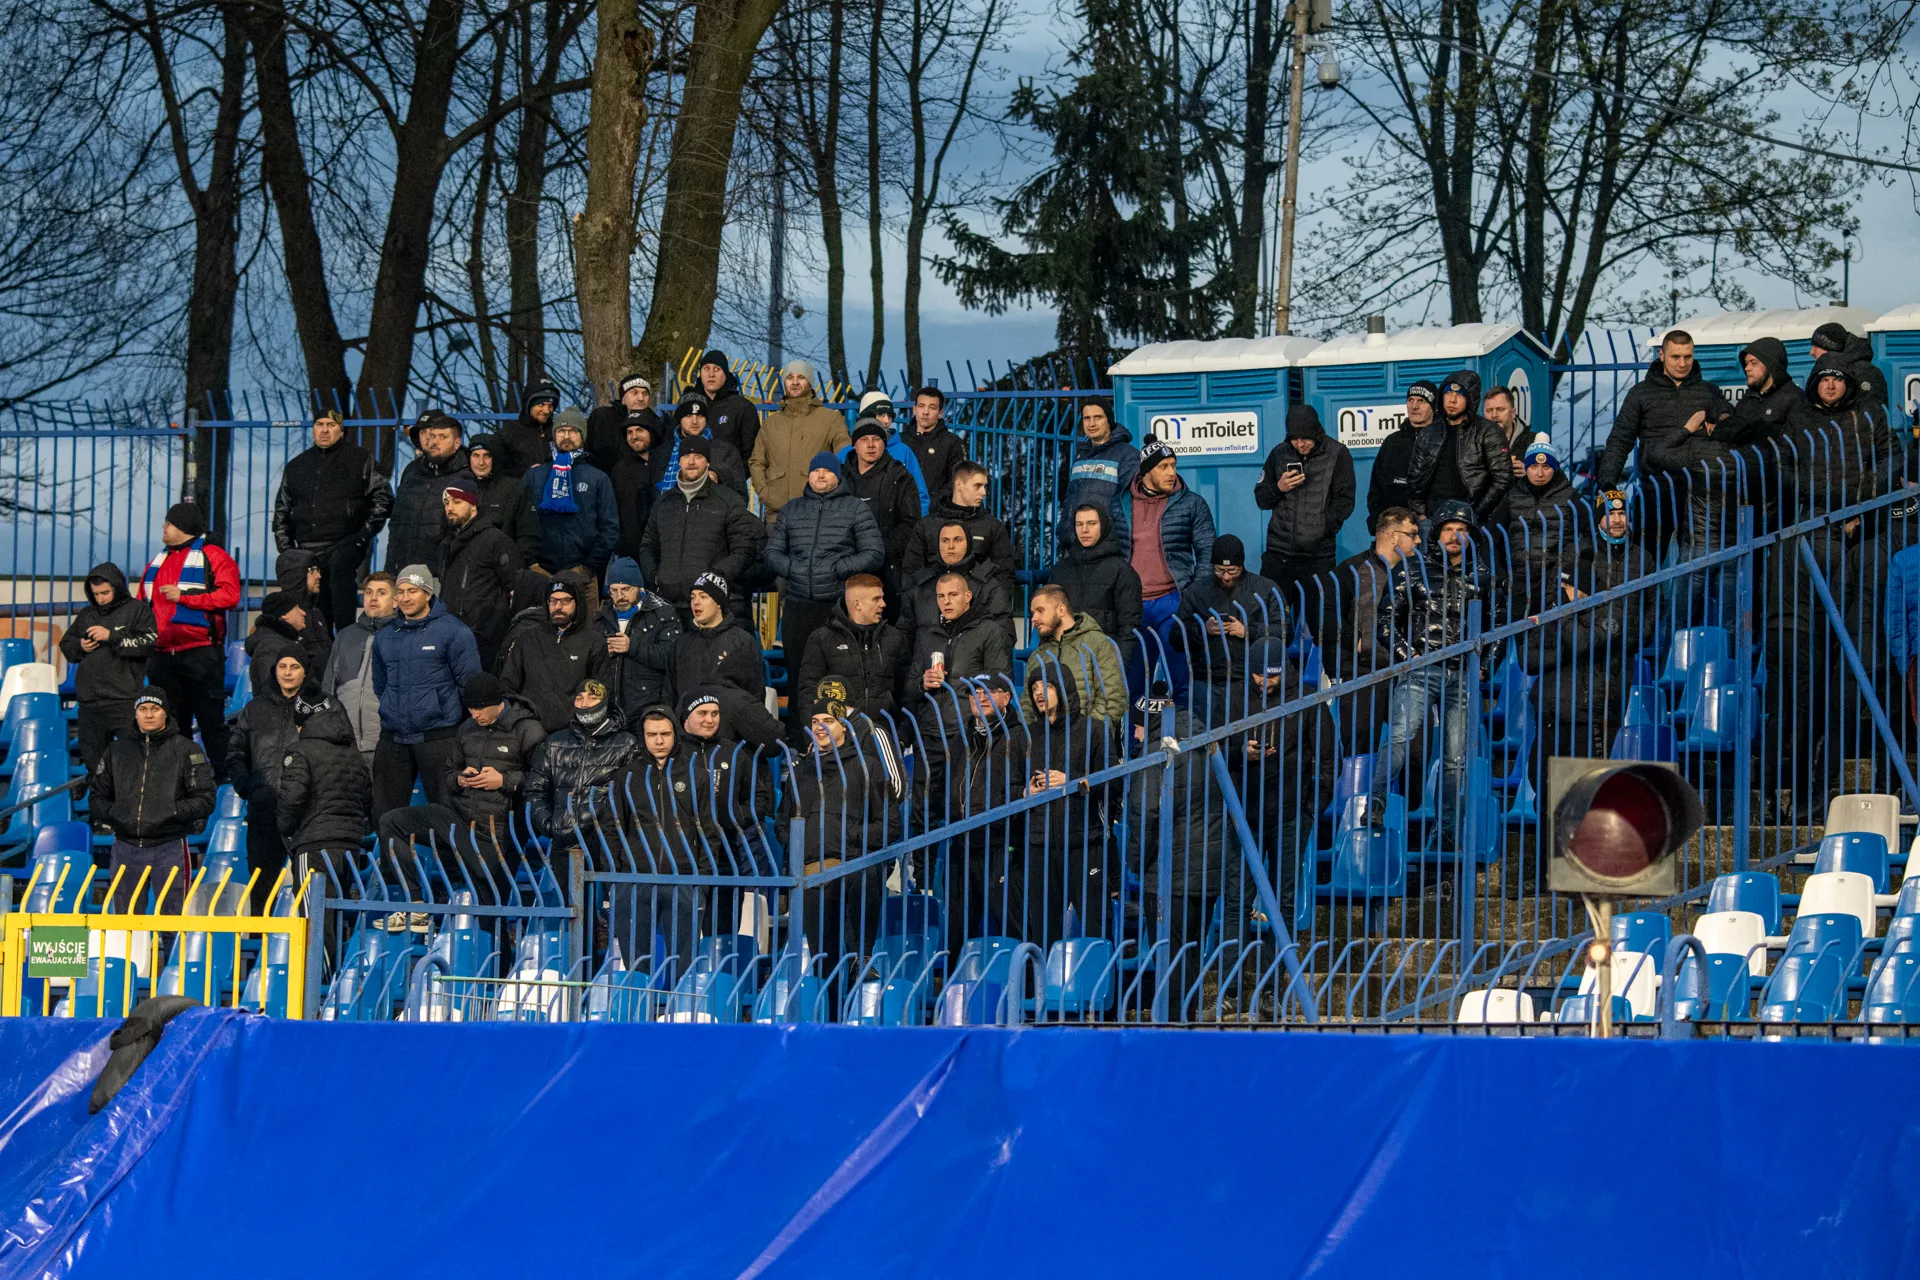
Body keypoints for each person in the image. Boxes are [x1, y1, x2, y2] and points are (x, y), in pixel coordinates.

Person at [1367, 499, 1491, 844]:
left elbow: (1497, 625)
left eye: (1461, 529)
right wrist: (1408, 655)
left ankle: (1447, 831)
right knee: (1399, 738)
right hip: (1422, 669)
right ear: (1436, 534)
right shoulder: (1411, 568)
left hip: (1462, 672)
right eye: (1448, 529)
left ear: (1471, 535)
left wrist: (1485, 666)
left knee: (1455, 758)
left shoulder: (1483, 576)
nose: (1454, 535)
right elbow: (1385, 619)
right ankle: (1376, 802)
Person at [375, 673, 548, 904]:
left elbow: (544, 779)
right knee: (391, 822)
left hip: (499, 830)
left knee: (490, 903)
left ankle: (493, 926)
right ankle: (415, 904)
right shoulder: (467, 728)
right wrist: (460, 779)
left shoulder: (528, 729)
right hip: (459, 818)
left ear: (496, 702)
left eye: (479, 708)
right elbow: (448, 773)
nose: (474, 714)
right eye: (470, 708)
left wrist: (504, 781)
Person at [782, 685, 905, 966]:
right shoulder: (799, 773)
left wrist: (847, 836)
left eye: (828, 720)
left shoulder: (869, 768)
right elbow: (783, 824)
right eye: (815, 721)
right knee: (822, 963)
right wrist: (804, 844)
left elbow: (890, 825)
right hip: (812, 875)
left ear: (844, 726)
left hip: (855, 869)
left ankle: (861, 962)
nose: (820, 727)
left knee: (854, 959)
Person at [765, 450, 886, 717]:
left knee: (836, 678)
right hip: (798, 605)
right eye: (816, 470)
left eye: (828, 470)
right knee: (798, 676)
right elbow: (772, 553)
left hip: (836, 607)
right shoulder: (792, 508)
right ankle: (798, 736)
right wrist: (794, 569)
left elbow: (874, 552)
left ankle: (840, 732)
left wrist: (838, 569)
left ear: (838, 476)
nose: (821, 475)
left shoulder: (855, 508)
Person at [1593, 330, 1733, 547]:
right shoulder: (1640, 394)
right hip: (1654, 489)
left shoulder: (1709, 392)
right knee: (1645, 558)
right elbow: (1620, 440)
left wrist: (1721, 416)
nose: (1682, 363)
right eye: (1675, 357)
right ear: (1661, 355)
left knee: (1698, 560)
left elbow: (1728, 424)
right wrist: (1607, 483)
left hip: (1698, 490)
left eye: (1688, 356)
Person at [136, 502, 242, 779]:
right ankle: (178, 784)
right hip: (161, 654)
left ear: (183, 526)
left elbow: (230, 596)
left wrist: (184, 597)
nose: (164, 527)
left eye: (169, 522)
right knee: (170, 727)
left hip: (201, 653)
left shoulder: (214, 556)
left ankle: (227, 781)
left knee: (211, 724)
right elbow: (140, 603)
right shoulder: (158, 560)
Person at [1017, 662, 1119, 947]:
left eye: (1047, 686)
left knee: (1097, 928)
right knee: (1043, 933)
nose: (1039, 693)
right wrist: (1025, 791)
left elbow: (1114, 783)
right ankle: (1043, 977)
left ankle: (1102, 977)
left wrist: (1072, 781)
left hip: (1085, 844)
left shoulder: (1094, 730)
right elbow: (1006, 788)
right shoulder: (1026, 736)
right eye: (1034, 688)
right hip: (1040, 846)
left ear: (1064, 689)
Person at [370, 564, 482, 817]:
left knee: (448, 815)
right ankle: (391, 847)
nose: (405, 598)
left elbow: (469, 684)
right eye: (401, 592)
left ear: (428, 593)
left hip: (438, 737)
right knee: (385, 816)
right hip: (393, 738)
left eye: (413, 591)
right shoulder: (385, 636)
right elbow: (380, 684)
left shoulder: (455, 631)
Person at [271, 409, 393, 634]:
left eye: (331, 425)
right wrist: (287, 550)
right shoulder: (297, 466)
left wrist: (363, 535)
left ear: (341, 430)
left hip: (346, 542)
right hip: (306, 547)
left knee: (339, 575)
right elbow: (282, 510)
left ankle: (347, 636)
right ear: (313, 429)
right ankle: (318, 644)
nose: (325, 430)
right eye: (320, 424)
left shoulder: (360, 459)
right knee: (314, 610)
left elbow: (383, 498)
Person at [94, 690, 215, 913]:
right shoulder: (116, 750)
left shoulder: (187, 749)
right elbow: (96, 797)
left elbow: (205, 800)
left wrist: (169, 812)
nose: (149, 715)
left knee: (172, 922)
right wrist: (117, 813)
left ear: (165, 712)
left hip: (170, 846)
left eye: (155, 709)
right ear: (135, 713)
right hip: (125, 846)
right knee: (126, 924)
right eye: (143, 709)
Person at [1110, 439, 1215, 694]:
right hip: (1133, 604)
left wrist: (1192, 595)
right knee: (1133, 682)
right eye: (1163, 467)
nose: (1171, 473)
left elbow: (1207, 551)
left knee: (1183, 677)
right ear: (1146, 471)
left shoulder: (1192, 503)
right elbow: (1110, 552)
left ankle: (1185, 721)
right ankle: (1135, 723)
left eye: (1173, 465)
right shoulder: (1119, 503)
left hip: (1173, 601)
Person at [639, 437, 766, 622]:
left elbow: (744, 549)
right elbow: (647, 546)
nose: (691, 462)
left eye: (698, 456)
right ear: (679, 461)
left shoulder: (728, 501)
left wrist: (715, 578)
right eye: (686, 456)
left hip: (710, 607)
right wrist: (656, 577)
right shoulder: (663, 503)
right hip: (668, 606)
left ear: (707, 462)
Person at [1366, 378, 1510, 529]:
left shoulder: (1482, 432)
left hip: (1468, 520)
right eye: (1410, 400)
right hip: (1417, 522)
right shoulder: (1398, 440)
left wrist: (1475, 513)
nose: (1414, 406)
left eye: (1421, 401)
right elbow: (1390, 485)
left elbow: (1501, 479)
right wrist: (1422, 512)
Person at [525, 679, 636, 869]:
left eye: (592, 698)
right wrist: (550, 826)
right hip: (563, 845)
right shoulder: (554, 743)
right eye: (579, 698)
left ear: (605, 702)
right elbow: (535, 789)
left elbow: (631, 796)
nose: (584, 704)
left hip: (606, 845)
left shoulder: (627, 744)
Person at [227, 652, 308, 911]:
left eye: (294, 666)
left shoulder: (319, 708)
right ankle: (260, 936)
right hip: (263, 811)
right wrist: (247, 787)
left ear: (305, 671)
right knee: (261, 892)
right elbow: (236, 754)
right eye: (282, 666)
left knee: (307, 890)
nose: (287, 672)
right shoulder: (255, 708)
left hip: (304, 813)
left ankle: (311, 939)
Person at [276, 687, 373, 900]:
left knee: (312, 915)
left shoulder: (301, 751)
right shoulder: (354, 755)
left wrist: (287, 830)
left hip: (314, 844)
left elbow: (291, 798)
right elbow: (367, 799)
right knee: (337, 911)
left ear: (300, 725)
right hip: (350, 845)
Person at [1253, 405, 1355, 605]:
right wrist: (1279, 488)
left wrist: (1323, 528)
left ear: (1316, 432)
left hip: (1318, 557)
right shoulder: (1278, 453)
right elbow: (1261, 499)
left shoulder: (1338, 454)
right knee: (1273, 617)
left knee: (1320, 619)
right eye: (1294, 438)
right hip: (1279, 555)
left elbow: (1345, 500)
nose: (1300, 444)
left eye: (1305, 438)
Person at [61, 562, 157, 771]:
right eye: (96, 594)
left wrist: (112, 636)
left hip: (123, 700)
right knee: (95, 768)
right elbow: (66, 645)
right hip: (90, 703)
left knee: (133, 765)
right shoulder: (87, 614)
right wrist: (80, 646)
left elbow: (149, 643)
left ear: (118, 587)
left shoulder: (137, 610)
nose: (100, 599)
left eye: (105, 593)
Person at [1174, 536, 1287, 699]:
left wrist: (1247, 631)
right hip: (1208, 680)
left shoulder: (1265, 589)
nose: (1226, 576)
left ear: (1241, 565)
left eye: (1232, 571)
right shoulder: (1196, 592)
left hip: (1252, 680)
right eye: (1220, 570)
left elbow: (1285, 632)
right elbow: (1176, 637)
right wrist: (1203, 629)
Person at [499, 576, 615, 733]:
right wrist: (525, 718)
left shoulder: (594, 641)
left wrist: (580, 722)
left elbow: (602, 691)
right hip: (531, 731)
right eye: (553, 601)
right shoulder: (527, 638)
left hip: (575, 733)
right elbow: (507, 685)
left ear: (578, 602)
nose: (558, 606)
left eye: (565, 601)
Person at [437, 475, 524, 668]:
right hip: (450, 636)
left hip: (485, 641)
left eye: (457, 502)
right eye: (446, 502)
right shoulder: (446, 544)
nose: (449, 507)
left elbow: (517, 588)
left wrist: (494, 626)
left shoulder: (495, 540)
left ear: (473, 505)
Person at [749, 359, 850, 523]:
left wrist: (830, 494)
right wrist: (765, 494)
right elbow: (757, 462)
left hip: (817, 515)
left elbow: (844, 458)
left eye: (801, 377)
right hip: (777, 516)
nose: (795, 382)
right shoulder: (771, 423)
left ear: (810, 382)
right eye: (790, 378)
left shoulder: (830, 419)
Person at [523, 407, 618, 580]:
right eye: (561, 431)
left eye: (573, 431)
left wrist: (589, 566)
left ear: (582, 436)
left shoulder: (597, 478)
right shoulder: (535, 476)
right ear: (554, 435)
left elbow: (609, 527)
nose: (566, 436)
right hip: (539, 573)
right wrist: (532, 563)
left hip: (583, 574)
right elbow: (521, 522)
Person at [797, 575, 909, 721]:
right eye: (876, 599)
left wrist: (903, 732)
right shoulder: (822, 639)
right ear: (857, 605)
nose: (883, 604)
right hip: (840, 730)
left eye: (882, 598)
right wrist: (813, 732)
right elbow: (808, 693)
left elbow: (907, 690)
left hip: (885, 729)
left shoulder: (894, 637)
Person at [1046, 503, 1144, 664]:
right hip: (1064, 661)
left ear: (1103, 526)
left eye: (1091, 523)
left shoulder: (1121, 571)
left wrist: (1118, 668)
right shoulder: (1060, 571)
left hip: (1103, 662)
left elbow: (1129, 628)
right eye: (1079, 524)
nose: (1084, 530)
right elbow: (1048, 621)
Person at [321, 571, 396, 769]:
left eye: (381, 593)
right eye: (369, 592)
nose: (373, 598)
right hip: (345, 747)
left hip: (387, 747)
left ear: (396, 601)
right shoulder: (345, 636)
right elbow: (329, 689)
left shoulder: (403, 636)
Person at [839, 413, 926, 581]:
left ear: (884, 444)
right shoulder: (840, 477)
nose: (871, 445)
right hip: (845, 563)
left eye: (876, 439)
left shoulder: (900, 477)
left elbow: (911, 522)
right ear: (854, 445)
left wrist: (879, 550)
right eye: (864, 439)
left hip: (888, 566)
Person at [1024, 583, 1128, 724]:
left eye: (1040, 610)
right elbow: (1027, 707)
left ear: (1061, 610)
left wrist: (1087, 733)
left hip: (1087, 735)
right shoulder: (1037, 656)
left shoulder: (1098, 644)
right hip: (1045, 736)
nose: (1034, 618)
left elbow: (1112, 699)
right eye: (1033, 613)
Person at [896, 521, 1016, 641]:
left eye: (957, 540)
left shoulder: (988, 587)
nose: (951, 546)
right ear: (938, 545)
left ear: (968, 543)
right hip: (926, 653)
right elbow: (904, 636)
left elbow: (1004, 636)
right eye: (945, 540)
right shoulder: (920, 586)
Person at [385, 411, 473, 573]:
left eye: (441, 436)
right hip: (405, 570)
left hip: (443, 573)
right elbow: (397, 522)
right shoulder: (412, 470)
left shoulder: (468, 473)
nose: (430, 440)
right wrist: (390, 568)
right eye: (425, 433)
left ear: (456, 442)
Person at [595, 556, 682, 721]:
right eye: (614, 590)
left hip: (649, 708)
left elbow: (671, 656)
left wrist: (632, 647)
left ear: (639, 587)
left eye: (625, 589)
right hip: (609, 709)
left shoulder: (663, 613)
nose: (619, 596)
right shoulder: (601, 617)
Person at [907, 570, 1014, 702]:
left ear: (968, 596)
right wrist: (922, 684)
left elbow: (1001, 686)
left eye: (953, 595)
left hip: (970, 714)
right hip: (931, 714)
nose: (946, 601)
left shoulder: (990, 632)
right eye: (941, 596)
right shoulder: (927, 635)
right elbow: (909, 689)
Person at [1504, 436, 1582, 614]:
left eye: (1546, 467)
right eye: (1533, 466)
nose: (1539, 474)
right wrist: (1502, 576)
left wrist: (1568, 566)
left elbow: (1589, 535)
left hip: (1556, 582)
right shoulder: (1512, 496)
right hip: (1519, 582)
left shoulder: (1570, 496)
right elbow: (1491, 537)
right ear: (1526, 468)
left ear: (1554, 468)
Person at [901, 461, 1016, 577]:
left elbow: (1004, 575)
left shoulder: (993, 527)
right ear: (959, 485)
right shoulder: (926, 525)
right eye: (977, 486)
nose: (983, 492)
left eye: (984, 486)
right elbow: (911, 572)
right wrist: (935, 587)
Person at [674, 573, 766, 700]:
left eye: (703, 597)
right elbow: (670, 694)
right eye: (692, 597)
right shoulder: (681, 644)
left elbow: (755, 693)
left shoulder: (742, 642)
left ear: (718, 603)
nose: (696, 602)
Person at [1061, 396, 1139, 537]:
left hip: (1109, 542)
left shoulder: (1128, 455)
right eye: (1087, 418)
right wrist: (1065, 532)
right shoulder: (1081, 455)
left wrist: (1113, 538)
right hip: (1077, 541)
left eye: (1098, 417)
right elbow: (1070, 498)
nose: (1091, 423)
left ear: (1108, 421)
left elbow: (1131, 504)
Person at [841, 391, 931, 510]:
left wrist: (916, 520)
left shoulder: (903, 451)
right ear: (865, 417)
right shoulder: (846, 454)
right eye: (881, 415)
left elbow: (920, 495)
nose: (886, 421)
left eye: (890, 416)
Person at [652, 392, 748, 498]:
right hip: (665, 508)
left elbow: (740, 495)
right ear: (680, 419)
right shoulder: (662, 452)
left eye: (699, 415)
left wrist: (718, 475)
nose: (694, 421)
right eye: (688, 415)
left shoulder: (725, 451)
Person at [465, 433, 541, 563]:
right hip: (468, 567)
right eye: (476, 455)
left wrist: (514, 566)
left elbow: (528, 535)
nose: (481, 462)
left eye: (487, 456)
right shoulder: (462, 488)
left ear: (496, 458)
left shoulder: (515, 488)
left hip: (505, 566)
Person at [1810, 321, 1890, 422]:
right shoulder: (1825, 371)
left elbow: (1870, 417)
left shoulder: (1864, 373)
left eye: (1815, 347)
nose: (1811, 352)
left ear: (1829, 348)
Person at [244, 591, 319, 697]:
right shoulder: (272, 648)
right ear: (284, 615)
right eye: (297, 608)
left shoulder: (282, 643)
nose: (303, 613)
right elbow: (273, 692)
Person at [693, 348, 762, 460]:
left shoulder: (742, 408)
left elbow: (752, 453)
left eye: (717, 369)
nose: (711, 374)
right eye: (706, 369)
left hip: (732, 470)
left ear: (725, 374)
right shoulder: (690, 406)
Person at [607, 414, 660, 560]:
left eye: (639, 430)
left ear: (652, 432)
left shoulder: (666, 462)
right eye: (629, 432)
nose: (634, 436)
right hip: (633, 552)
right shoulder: (620, 469)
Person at [586, 372, 662, 470]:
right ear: (623, 398)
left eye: (645, 394)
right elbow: (588, 451)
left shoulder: (656, 422)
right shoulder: (602, 417)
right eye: (634, 393)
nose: (641, 398)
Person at [906, 384, 968, 504]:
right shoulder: (902, 440)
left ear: (940, 413)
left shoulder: (952, 443)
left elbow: (958, 480)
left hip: (937, 511)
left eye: (932, 407)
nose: (925, 412)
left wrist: (934, 504)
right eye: (921, 406)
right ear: (914, 409)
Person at [273, 549, 334, 666]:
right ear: (295, 575)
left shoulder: (316, 613)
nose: (318, 576)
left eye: (318, 570)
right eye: (312, 570)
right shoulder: (282, 616)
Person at [496, 380, 557, 479]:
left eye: (550, 405)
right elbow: (498, 471)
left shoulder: (559, 432)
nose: (546, 411)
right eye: (541, 405)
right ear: (529, 405)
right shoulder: (507, 435)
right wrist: (527, 473)